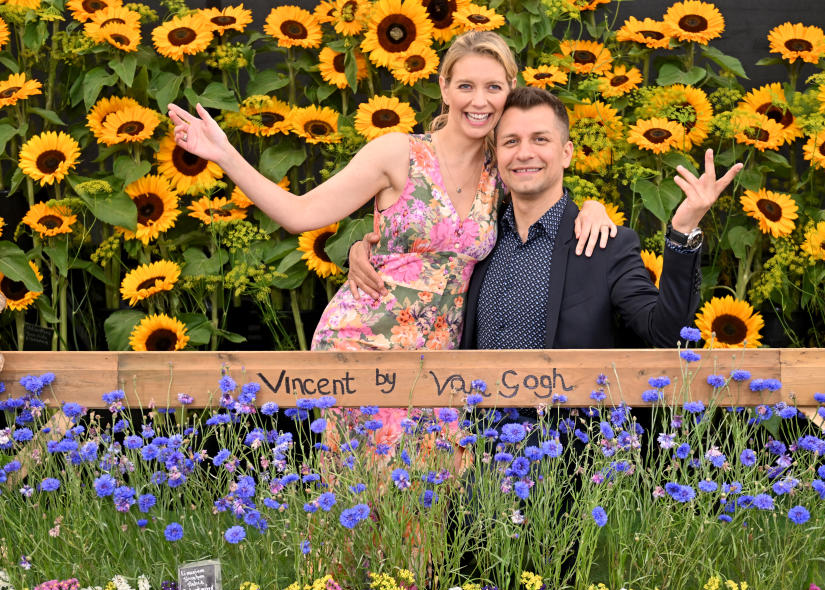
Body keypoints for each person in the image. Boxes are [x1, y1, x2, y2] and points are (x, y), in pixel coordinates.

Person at [167, 31, 615, 359]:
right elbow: (300, 214)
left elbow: (544, 196)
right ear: (443, 88)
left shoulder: (499, 171)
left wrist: (590, 208)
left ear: (508, 92)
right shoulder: (397, 153)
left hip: (440, 365)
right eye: (465, 86)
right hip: (362, 346)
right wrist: (225, 155)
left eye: (493, 87)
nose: (479, 101)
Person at [349, 87, 743, 349]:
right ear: (497, 155)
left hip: (564, 459)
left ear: (567, 153)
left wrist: (684, 230)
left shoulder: (606, 245)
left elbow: (666, 334)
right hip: (474, 460)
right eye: (511, 141)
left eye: (540, 139)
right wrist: (366, 252)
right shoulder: (476, 245)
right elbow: (420, 269)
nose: (525, 153)